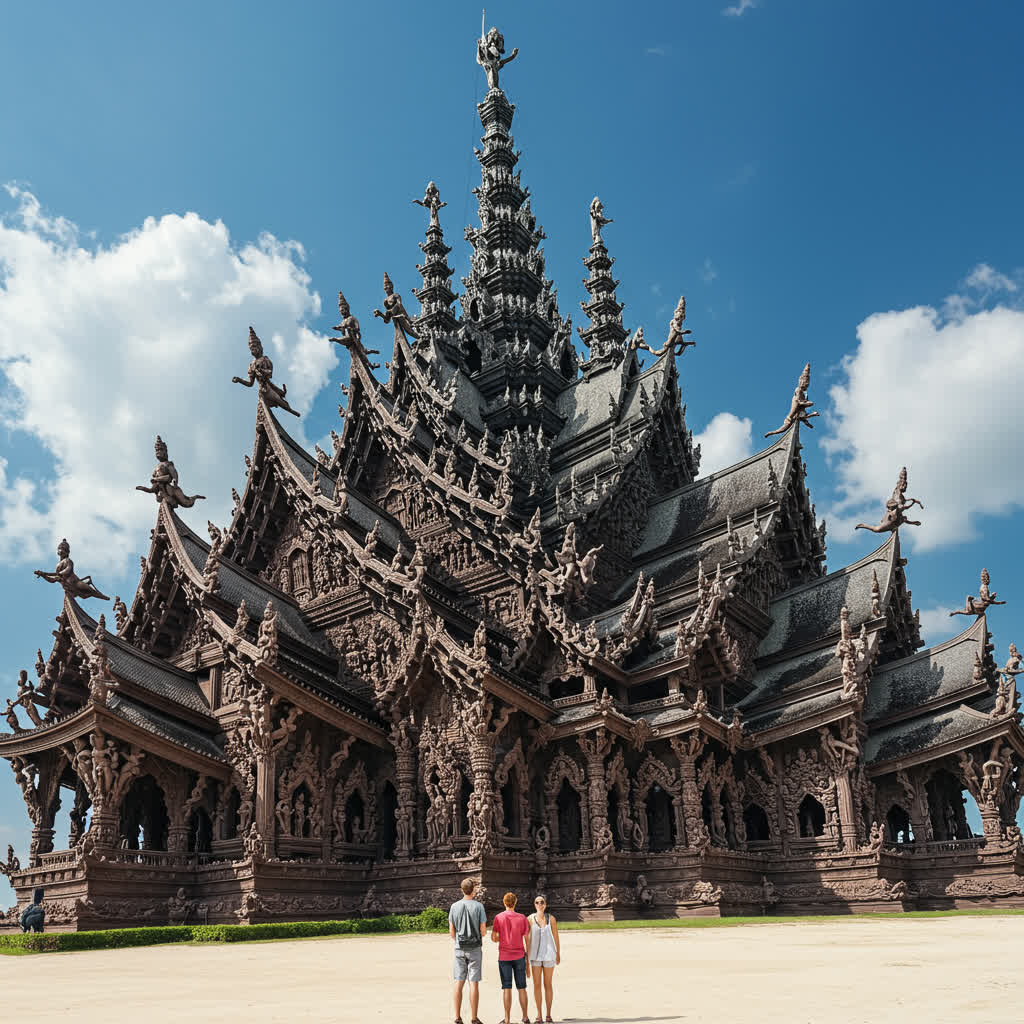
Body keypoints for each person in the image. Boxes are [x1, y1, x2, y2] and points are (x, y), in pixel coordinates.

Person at [449, 877, 487, 1024]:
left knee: (459, 981)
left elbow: (452, 931)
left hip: (459, 947)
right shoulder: (479, 907)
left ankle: (457, 1017)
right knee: (474, 983)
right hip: (475, 948)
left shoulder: (454, 906)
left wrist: (459, 940)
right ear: (474, 889)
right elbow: (483, 931)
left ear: (461, 889)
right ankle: (474, 1017)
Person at [491, 892, 530, 1024]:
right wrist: (527, 957)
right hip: (519, 955)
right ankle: (525, 1017)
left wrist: (500, 937)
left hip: (504, 956)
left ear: (504, 902)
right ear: (515, 902)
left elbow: (494, 938)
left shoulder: (498, 917)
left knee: (506, 987)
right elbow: (527, 939)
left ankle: (507, 1019)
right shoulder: (522, 918)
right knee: (522, 987)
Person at [527, 895, 560, 1023]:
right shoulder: (529, 919)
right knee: (536, 985)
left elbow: (556, 936)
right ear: (534, 904)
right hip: (535, 956)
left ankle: (548, 1014)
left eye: (542, 902)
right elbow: (527, 939)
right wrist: (526, 958)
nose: (539, 904)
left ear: (545, 904)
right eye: (537, 902)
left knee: (548, 985)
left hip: (549, 955)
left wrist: (558, 953)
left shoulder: (551, 918)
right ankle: (539, 1015)